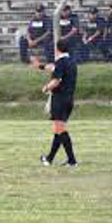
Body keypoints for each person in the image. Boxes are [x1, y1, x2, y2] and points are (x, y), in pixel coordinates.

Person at [31, 39, 78, 167]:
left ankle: (72, 160)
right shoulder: (71, 62)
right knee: (58, 130)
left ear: (57, 49)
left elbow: (56, 80)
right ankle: (49, 159)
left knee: (60, 129)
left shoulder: (61, 63)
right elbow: (52, 67)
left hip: (60, 99)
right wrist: (39, 66)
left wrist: (46, 88)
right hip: (69, 99)